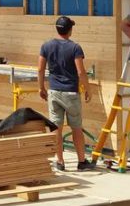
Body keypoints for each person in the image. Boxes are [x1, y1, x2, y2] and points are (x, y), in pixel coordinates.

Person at [38, 16, 95, 171]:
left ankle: (60, 162)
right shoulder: (75, 48)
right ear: (69, 30)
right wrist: (87, 89)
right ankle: (82, 161)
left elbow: (41, 69)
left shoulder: (46, 46)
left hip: (54, 92)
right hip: (71, 93)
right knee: (76, 127)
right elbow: (81, 71)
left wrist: (41, 87)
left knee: (56, 127)